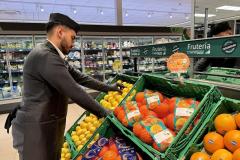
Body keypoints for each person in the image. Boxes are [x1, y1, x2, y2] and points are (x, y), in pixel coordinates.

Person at [8, 13, 123, 160]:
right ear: (60, 32)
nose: (73, 43)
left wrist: (109, 87)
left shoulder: (53, 55)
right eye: (72, 37)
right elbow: (74, 90)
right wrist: (104, 112)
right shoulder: (45, 56)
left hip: (46, 126)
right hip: (36, 130)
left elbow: (81, 78)